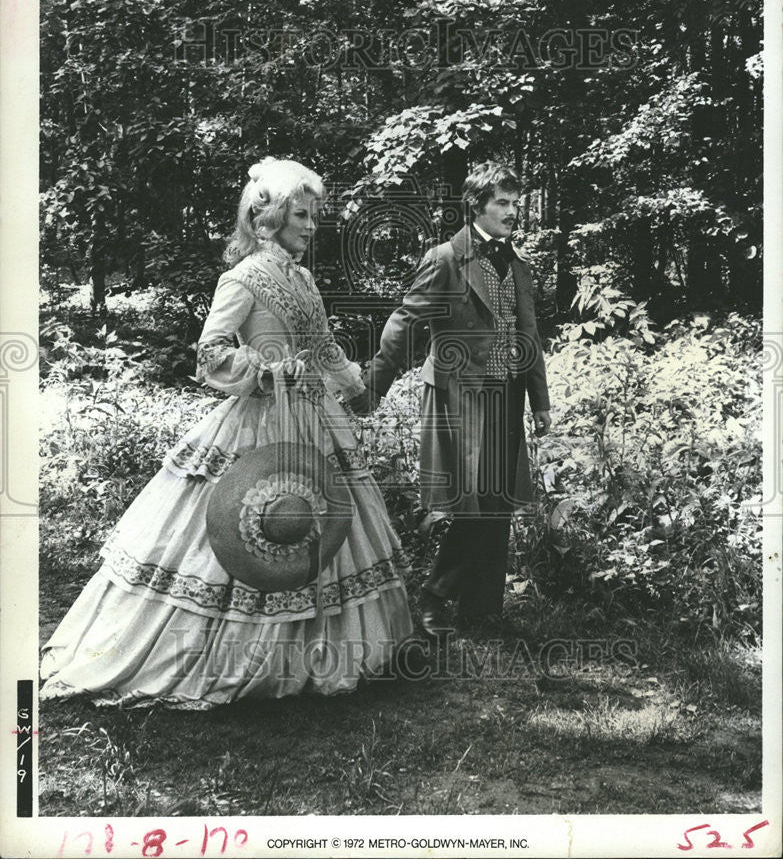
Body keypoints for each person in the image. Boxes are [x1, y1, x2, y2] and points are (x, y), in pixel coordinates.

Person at [41, 157, 413, 709]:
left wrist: (352, 386)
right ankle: (231, 656)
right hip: (261, 422)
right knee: (254, 522)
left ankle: (322, 653)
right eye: (302, 216)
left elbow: (322, 344)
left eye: (313, 217)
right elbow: (210, 354)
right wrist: (263, 371)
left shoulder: (304, 278)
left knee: (321, 527)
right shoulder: (242, 279)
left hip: (313, 419)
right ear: (269, 220)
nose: (311, 227)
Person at [351, 162, 551, 639]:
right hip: (458, 395)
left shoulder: (517, 264)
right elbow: (405, 319)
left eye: (514, 203)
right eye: (501, 203)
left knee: (497, 502)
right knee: (475, 502)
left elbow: (530, 334)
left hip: (507, 395)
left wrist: (539, 401)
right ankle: (435, 597)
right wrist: (373, 385)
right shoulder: (445, 258)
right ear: (476, 205)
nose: (511, 212)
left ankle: (482, 610)